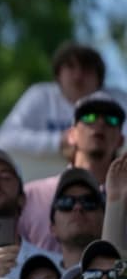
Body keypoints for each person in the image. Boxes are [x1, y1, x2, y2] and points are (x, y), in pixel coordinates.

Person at [16, 92, 124, 253]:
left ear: (121, 140)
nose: (100, 123)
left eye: (111, 119)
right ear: (71, 135)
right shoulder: (32, 196)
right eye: (89, 117)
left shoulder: (124, 198)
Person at [0, 41, 118, 156]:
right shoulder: (40, 95)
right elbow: (3, 140)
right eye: (70, 66)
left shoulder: (116, 99)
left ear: (99, 78)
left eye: (86, 68)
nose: (78, 76)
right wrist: (59, 141)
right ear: (58, 74)